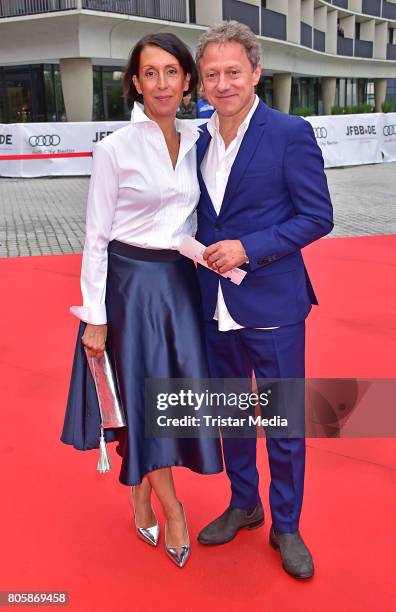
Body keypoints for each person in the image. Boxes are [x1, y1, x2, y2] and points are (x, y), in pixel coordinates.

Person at [61, 32, 223, 569]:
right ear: (135, 82)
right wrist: (95, 317)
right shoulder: (114, 149)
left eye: (171, 72)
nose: (161, 84)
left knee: (168, 402)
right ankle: (172, 507)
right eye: (149, 73)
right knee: (144, 402)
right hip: (129, 291)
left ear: (186, 81)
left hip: (179, 286)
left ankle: (138, 491)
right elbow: (95, 238)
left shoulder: (200, 140)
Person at [194, 21, 334, 578]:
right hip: (212, 303)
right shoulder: (197, 140)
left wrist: (249, 248)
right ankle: (244, 503)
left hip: (273, 302)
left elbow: (317, 216)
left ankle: (287, 524)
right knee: (231, 414)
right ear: (201, 84)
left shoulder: (288, 132)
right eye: (211, 74)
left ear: (255, 72)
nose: (222, 83)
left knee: (282, 422)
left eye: (233, 71)